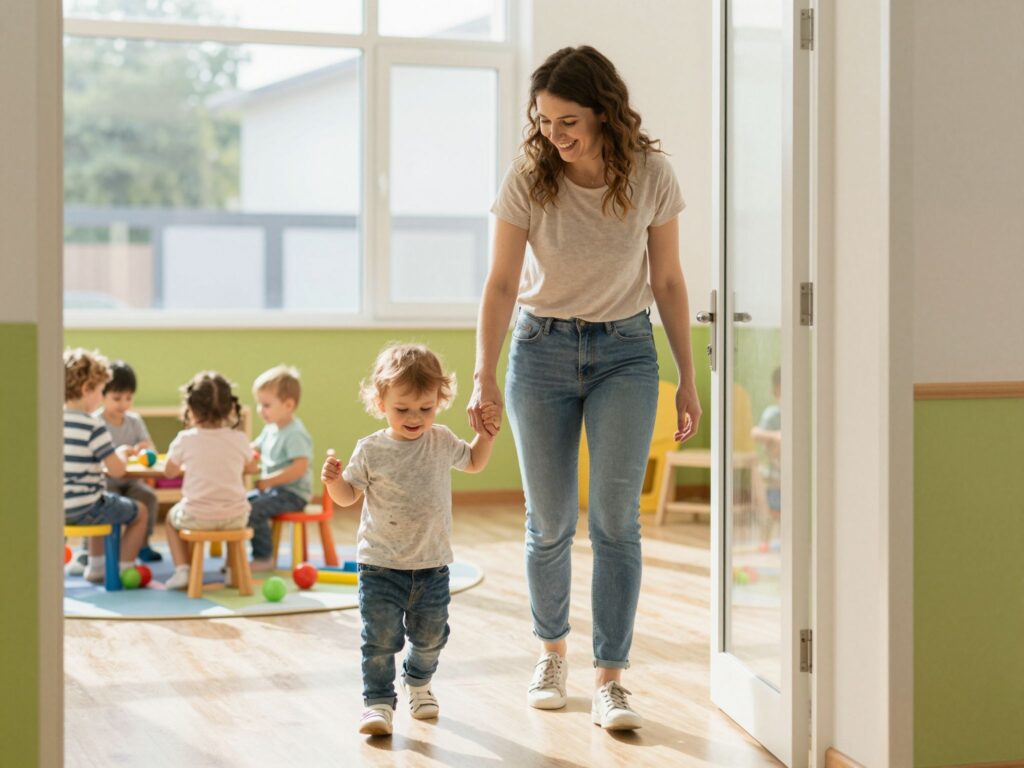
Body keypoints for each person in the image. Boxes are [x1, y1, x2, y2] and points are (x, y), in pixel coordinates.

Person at [466, 45, 702, 732]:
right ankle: (549, 655)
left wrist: (688, 376)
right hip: (539, 353)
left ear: (604, 112)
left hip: (626, 353)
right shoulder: (529, 176)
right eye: (543, 121)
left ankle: (611, 678)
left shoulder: (652, 174)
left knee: (615, 521)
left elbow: (669, 281)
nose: (553, 135)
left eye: (567, 121)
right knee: (550, 523)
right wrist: (484, 368)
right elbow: (503, 283)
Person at [321, 343, 499, 737]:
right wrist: (334, 482)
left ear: (439, 401)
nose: (415, 418)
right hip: (380, 565)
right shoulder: (371, 449)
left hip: (432, 565)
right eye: (402, 409)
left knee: (432, 636)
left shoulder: (441, 440)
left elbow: (472, 462)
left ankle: (418, 681)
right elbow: (349, 496)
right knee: (380, 639)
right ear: (380, 401)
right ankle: (378, 702)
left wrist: (485, 435)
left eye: (426, 408)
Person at [63, 348, 149, 582]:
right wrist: (119, 453)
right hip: (86, 507)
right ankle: (123, 568)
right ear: (86, 389)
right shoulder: (93, 425)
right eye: (101, 391)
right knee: (139, 512)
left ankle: (96, 565)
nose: (101, 398)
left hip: (56, 508)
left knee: (102, 503)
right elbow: (117, 470)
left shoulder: (53, 421)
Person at [162, 372, 251, 590]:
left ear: (191, 409)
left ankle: (183, 569)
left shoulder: (186, 439)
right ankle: (232, 571)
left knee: (170, 520)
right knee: (233, 514)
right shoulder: (239, 438)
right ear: (230, 408)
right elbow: (251, 467)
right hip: (236, 517)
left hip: (196, 517)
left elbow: (169, 472)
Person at [247, 365, 313, 571]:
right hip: (275, 491)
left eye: (266, 404)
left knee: (254, 509)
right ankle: (240, 555)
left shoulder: (294, 433)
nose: (260, 410)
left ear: (288, 405)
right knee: (240, 503)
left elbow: (299, 468)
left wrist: (269, 480)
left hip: (293, 494)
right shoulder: (271, 428)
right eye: (259, 404)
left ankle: (263, 557)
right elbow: (253, 448)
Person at [96, 360, 162, 563]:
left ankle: (142, 543)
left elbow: (152, 451)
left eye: (128, 398)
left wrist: (145, 448)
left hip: (132, 482)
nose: (123, 404)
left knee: (148, 497)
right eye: (117, 398)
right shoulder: (97, 422)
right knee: (101, 504)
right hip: (107, 483)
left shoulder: (134, 421)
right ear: (102, 395)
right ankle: (92, 550)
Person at [751, 366, 782, 546]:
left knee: (781, 514)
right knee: (769, 515)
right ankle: (764, 543)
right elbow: (755, 433)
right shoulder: (773, 414)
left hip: (784, 476)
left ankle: (775, 543)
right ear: (776, 391)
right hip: (771, 477)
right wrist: (775, 437)